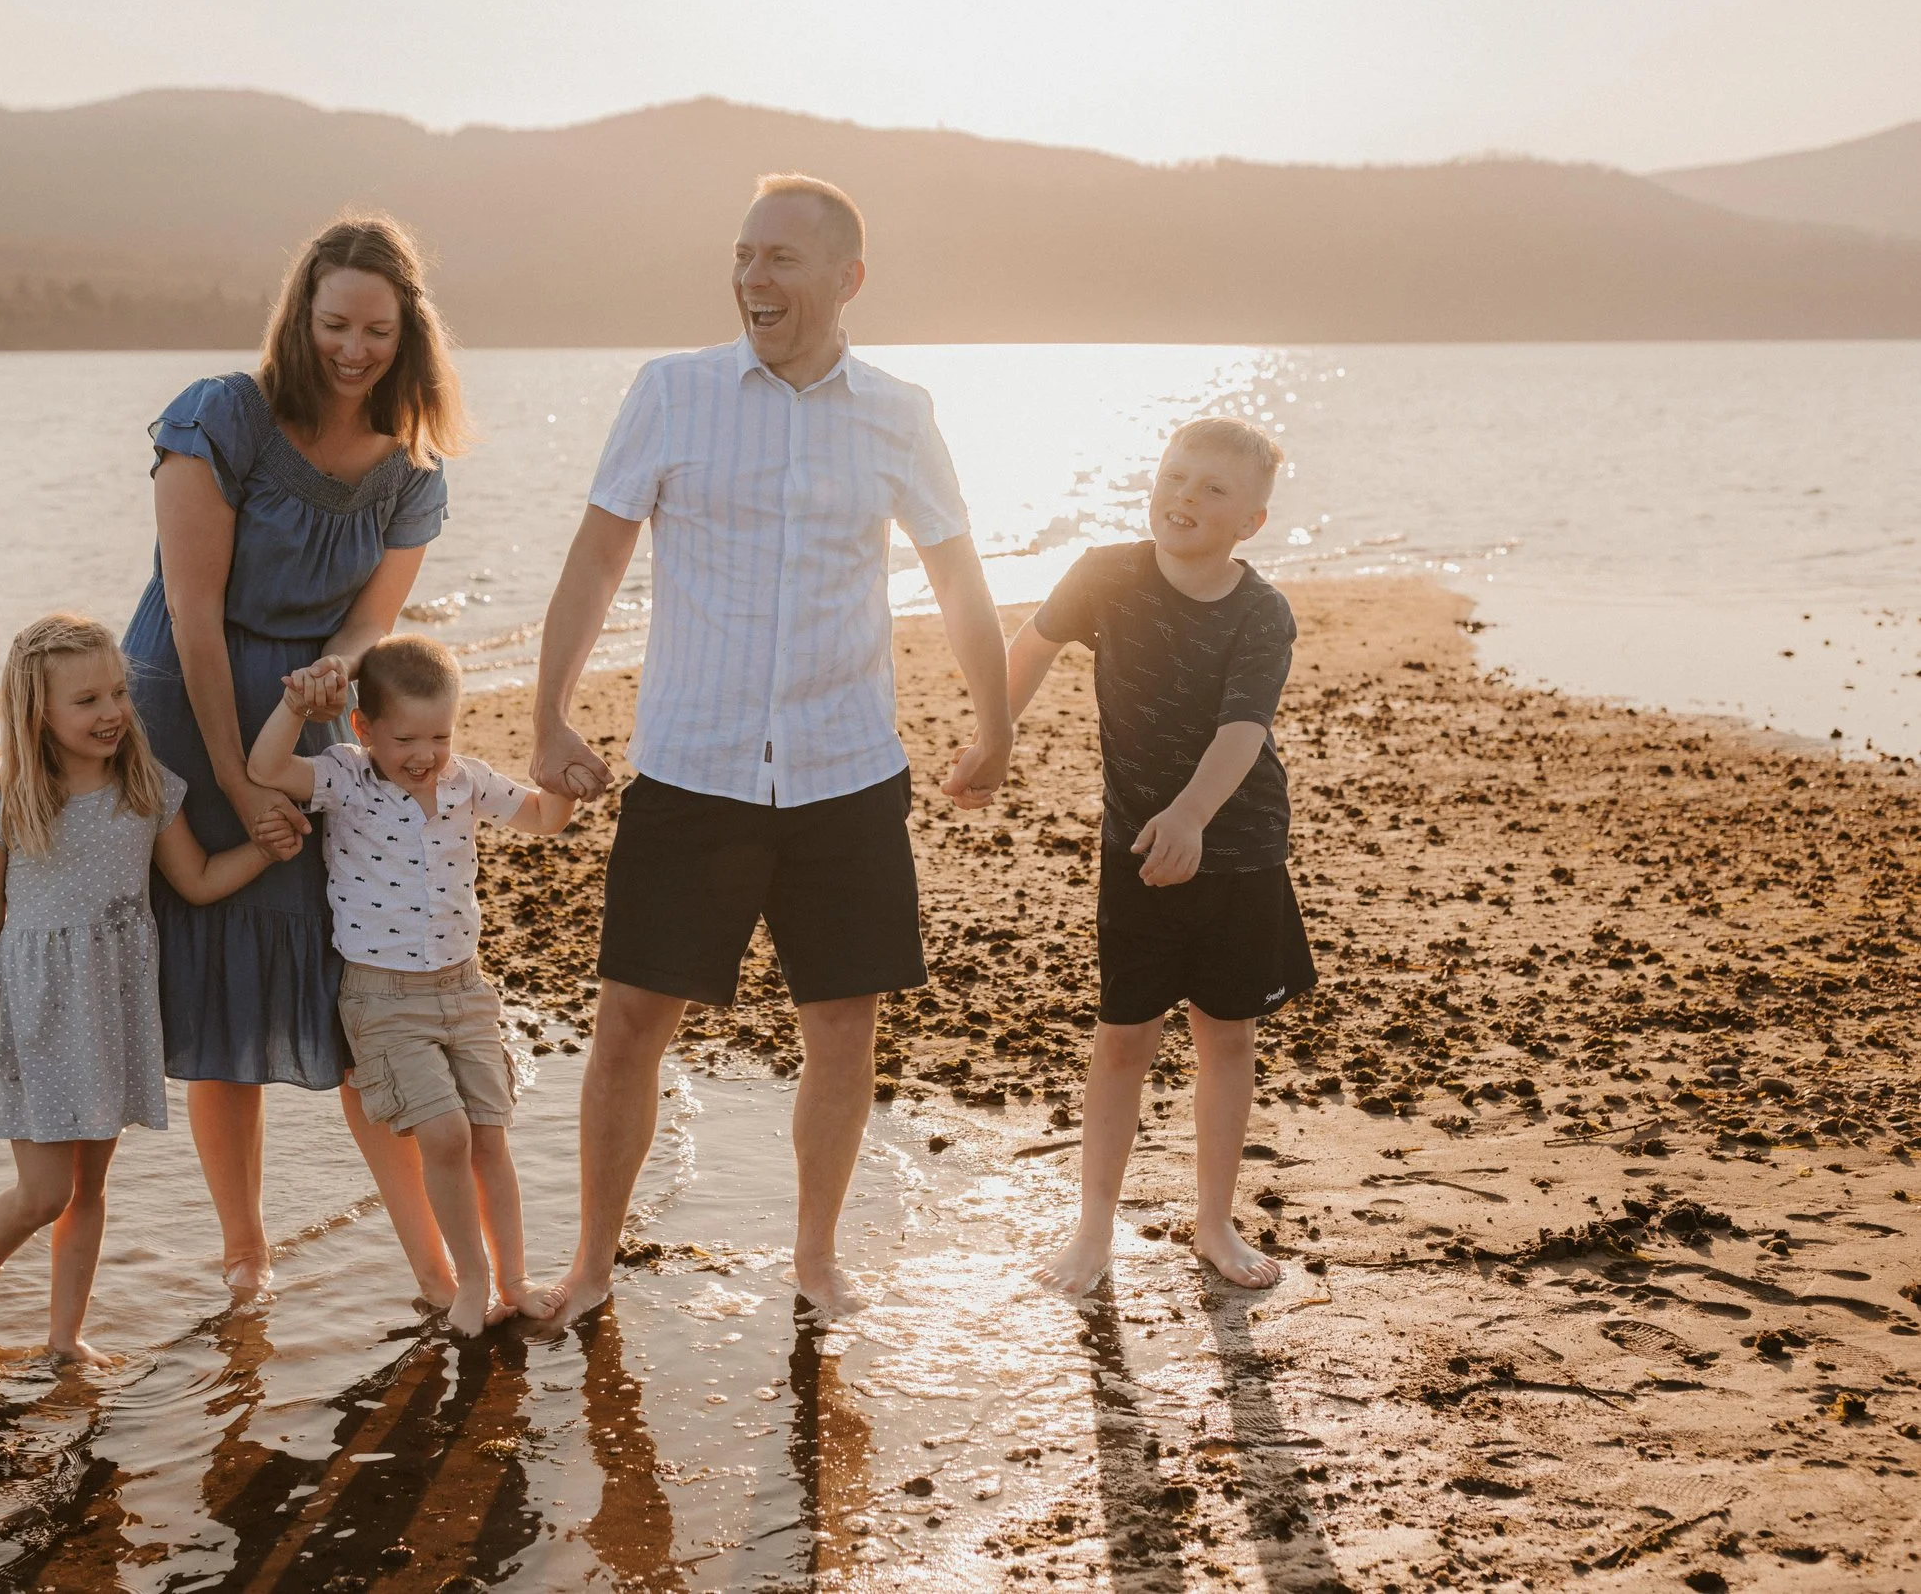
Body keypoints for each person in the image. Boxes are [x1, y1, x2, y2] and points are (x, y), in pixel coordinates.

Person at [531, 174, 1013, 1323]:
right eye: (744, 256)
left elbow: (955, 573)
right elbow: (596, 559)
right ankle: (591, 1264)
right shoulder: (671, 393)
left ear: (846, 279)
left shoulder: (899, 412)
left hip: (844, 769)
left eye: (780, 259)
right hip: (690, 768)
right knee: (629, 1027)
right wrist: (549, 714)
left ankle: (812, 1258)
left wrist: (996, 724)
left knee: (843, 1028)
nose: (754, 278)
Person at [120, 216, 468, 1302]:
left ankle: (433, 1264)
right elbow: (191, 612)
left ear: (406, 332)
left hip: (310, 719)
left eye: (374, 328)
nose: (352, 349)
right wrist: (234, 780)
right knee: (224, 994)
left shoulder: (411, 474)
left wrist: (334, 675)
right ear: (299, 318)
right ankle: (244, 1252)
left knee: (352, 983)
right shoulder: (224, 417)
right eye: (332, 325)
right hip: (190, 710)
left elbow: (372, 626)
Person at [1004, 416, 1319, 1296]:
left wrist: (1191, 816)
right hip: (1136, 853)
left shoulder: (1262, 612)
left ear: (1249, 522)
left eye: (1212, 489)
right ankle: (1093, 1225)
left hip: (1239, 852)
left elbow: (1244, 730)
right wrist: (994, 736)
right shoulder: (1107, 574)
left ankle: (1214, 1221)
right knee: (1122, 1040)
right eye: (1176, 476)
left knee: (1226, 1037)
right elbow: (1032, 646)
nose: (1184, 496)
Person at [0, 614, 297, 1367]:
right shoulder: (3, 805)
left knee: (87, 1191)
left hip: (113, 1010)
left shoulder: (145, 787)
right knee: (43, 1193)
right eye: (86, 701)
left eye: (118, 694)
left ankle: (65, 1338)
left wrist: (263, 854)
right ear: (37, 712)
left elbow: (196, 882)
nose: (110, 713)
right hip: (39, 1014)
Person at [247, 636, 578, 1333]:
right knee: (445, 1134)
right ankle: (471, 1279)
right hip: (384, 997)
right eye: (406, 739)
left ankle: (515, 1276)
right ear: (364, 729)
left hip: (465, 990)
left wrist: (567, 779)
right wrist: (293, 703)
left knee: (489, 1134)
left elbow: (545, 818)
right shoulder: (346, 777)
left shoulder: (467, 781)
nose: (426, 756)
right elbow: (265, 766)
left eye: (441, 735)